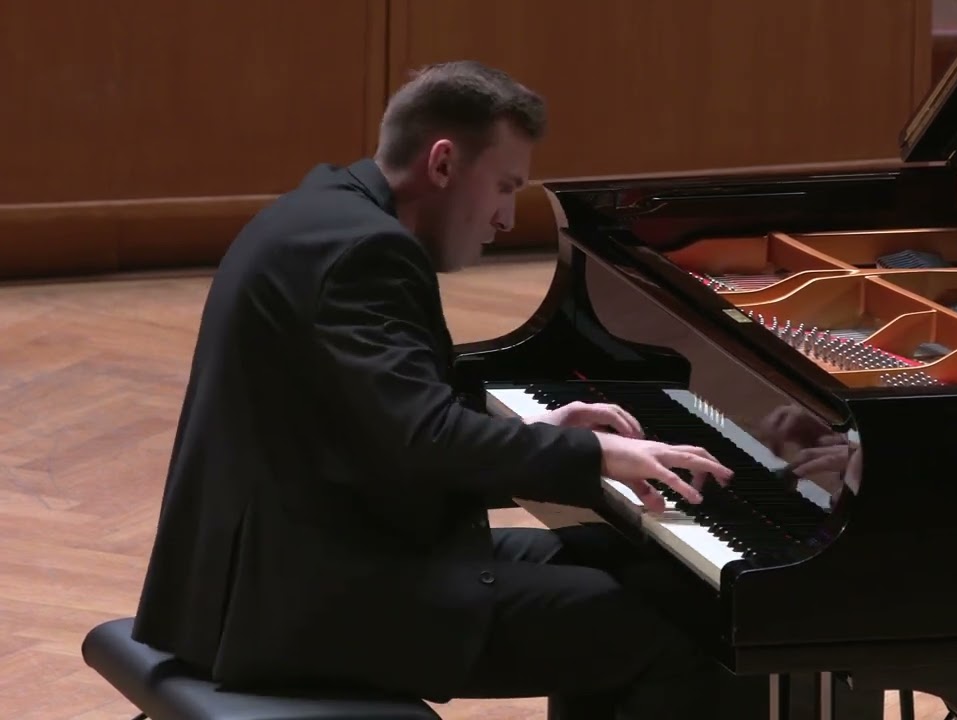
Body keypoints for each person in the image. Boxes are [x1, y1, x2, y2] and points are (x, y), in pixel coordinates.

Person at [129, 60, 764, 719]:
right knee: (686, 632)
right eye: (504, 187)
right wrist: (597, 455)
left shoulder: (321, 214)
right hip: (309, 604)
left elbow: (382, 432)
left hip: (296, 557)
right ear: (442, 163)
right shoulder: (367, 255)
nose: (505, 219)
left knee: (636, 566)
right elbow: (424, 439)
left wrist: (543, 440)